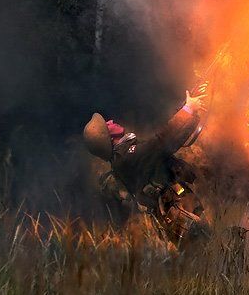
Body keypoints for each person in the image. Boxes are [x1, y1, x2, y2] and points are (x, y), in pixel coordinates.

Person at [83, 84, 210, 242]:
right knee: (206, 249)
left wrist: (186, 108)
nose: (110, 121)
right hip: (179, 214)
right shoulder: (127, 158)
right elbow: (162, 142)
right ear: (108, 138)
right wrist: (188, 110)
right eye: (106, 125)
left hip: (179, 209)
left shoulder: (124, 156)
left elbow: (162, 141)